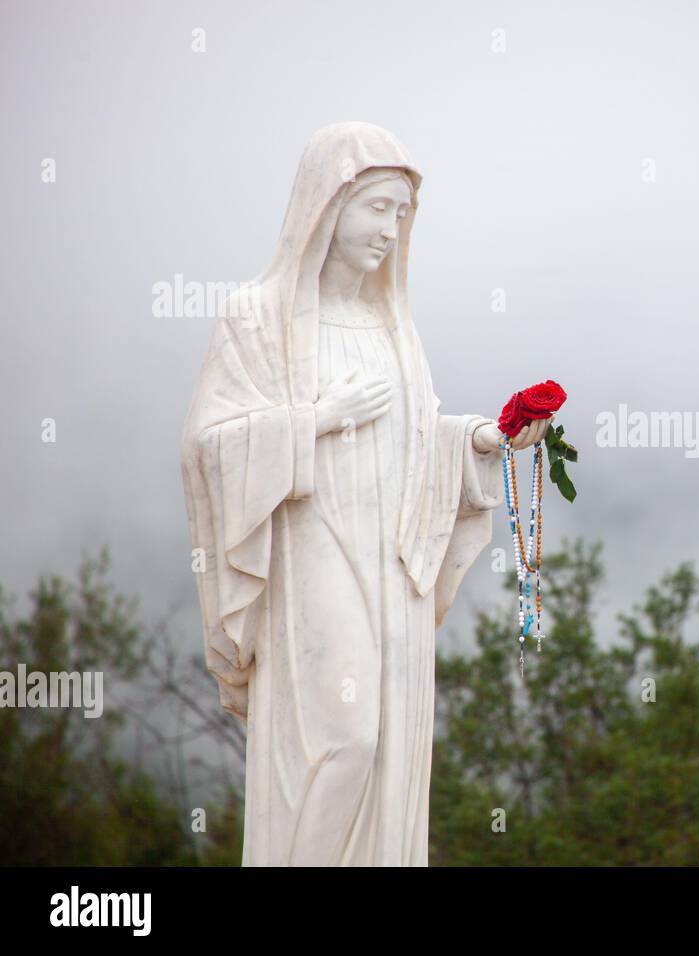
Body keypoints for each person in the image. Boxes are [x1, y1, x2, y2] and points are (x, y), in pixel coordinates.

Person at [180, 121, 547, 865]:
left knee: (387, 749)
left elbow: (417, 434)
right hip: (313, 539)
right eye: (378, 207)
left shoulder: (392, 326)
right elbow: (209, 446)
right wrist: (317, 421)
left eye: (402, 215)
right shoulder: (259, 316)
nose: (391, 229)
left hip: (393, 552)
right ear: (330, 202)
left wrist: (481, 439)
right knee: (349, 736)